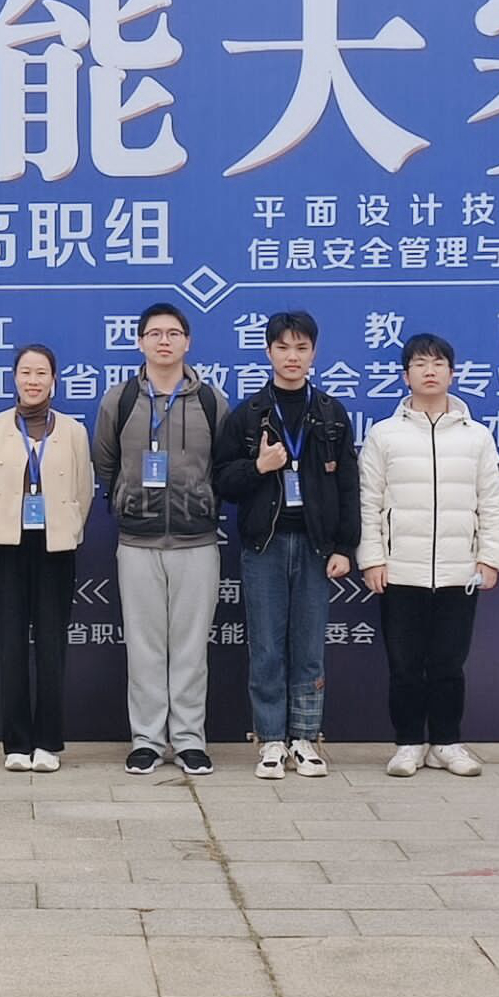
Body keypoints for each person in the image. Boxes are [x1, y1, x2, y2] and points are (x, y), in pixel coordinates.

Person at [213, 311, 360, 780]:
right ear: (268, 352)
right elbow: (222, 481)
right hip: (265, 544)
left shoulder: (331, 414)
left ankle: (306, 738)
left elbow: (349, 486)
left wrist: (344, 547)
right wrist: (259, 466)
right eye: (283, 348)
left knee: (309, 646)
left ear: (314, 352)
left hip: (317, 547)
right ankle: (271, 739)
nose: (292, 357)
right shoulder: (250, 414)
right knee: (267, 648)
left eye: (301, 348)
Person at [357, 333, 499, 779]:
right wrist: (372, 558)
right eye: (420, 364)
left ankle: (447, 743)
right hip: (399, 569)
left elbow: (493, 501)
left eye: (439, 363)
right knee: (405, 666)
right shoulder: (384, 435)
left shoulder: (476, 437)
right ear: (405, 375)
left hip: (458, 571)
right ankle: (408, 744)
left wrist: (490, 557)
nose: (430, 371)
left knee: (448, 664)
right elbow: (368, 500)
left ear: (452, 373)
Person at [91, 302, 230, 776]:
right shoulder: (120, 400)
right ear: (140, 342)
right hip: (137, 541)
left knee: (191, 649)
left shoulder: (211, 401)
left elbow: (224, 466)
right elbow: (105, 463)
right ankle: (147, 740)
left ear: (187, 342)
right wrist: (127, 500)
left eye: (173, 333)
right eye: (155, 333)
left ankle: (189, 740)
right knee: (144, 647)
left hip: (197, 541)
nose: (164, 341)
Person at [0, 344, 95, 772]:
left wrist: (70, 528)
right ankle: (16, 742)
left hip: (55, 547)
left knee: (50, 645)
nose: (33, 380)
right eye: (25, 372)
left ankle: (47, 742)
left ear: (54, 380)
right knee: (10, 647)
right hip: (8, 545)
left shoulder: (73, 431)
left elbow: (83, 488)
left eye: (41, 373)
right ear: (15, 378)